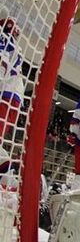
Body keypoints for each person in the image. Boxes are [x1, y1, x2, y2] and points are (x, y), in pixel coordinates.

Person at [0, 18, 25, 172]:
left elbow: (2, 61)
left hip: (6, 91)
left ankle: (7, 165)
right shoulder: (18, 47)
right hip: (17, 94)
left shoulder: (3, 38)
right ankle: (8, 166)